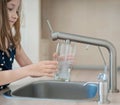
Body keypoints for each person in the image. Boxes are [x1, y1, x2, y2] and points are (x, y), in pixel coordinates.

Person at [0, 0, 58, 89]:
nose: (15, 16)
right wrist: (29, 70)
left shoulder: (12, 42)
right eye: (10, 8)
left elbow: (33, 71)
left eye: (17, 11)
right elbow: (30, 69)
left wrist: (52, 64)